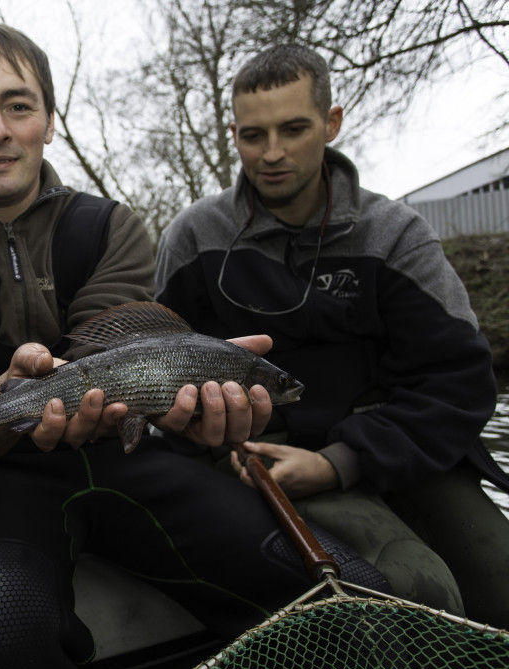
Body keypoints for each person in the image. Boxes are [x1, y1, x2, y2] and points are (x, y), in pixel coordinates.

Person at [0, 23, 341, 669]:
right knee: (1, 640)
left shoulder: (111, 226)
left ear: (49, 122)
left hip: (128, 454)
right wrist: (6, 393)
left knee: (348, 589)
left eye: (19, 105)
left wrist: (198, 418)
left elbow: (123, 366)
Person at [155, 43, 509, 627]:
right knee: (418, 590)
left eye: (294, 129)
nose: (271, 154)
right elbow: (163, 381)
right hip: (262, 461)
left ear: (331, 122)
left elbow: (463, 383)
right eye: (252, 135)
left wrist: (341, 461)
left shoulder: (394, 234)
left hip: (403, 449)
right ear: (234, 134)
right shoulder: (194, 238)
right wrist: (196, 431)